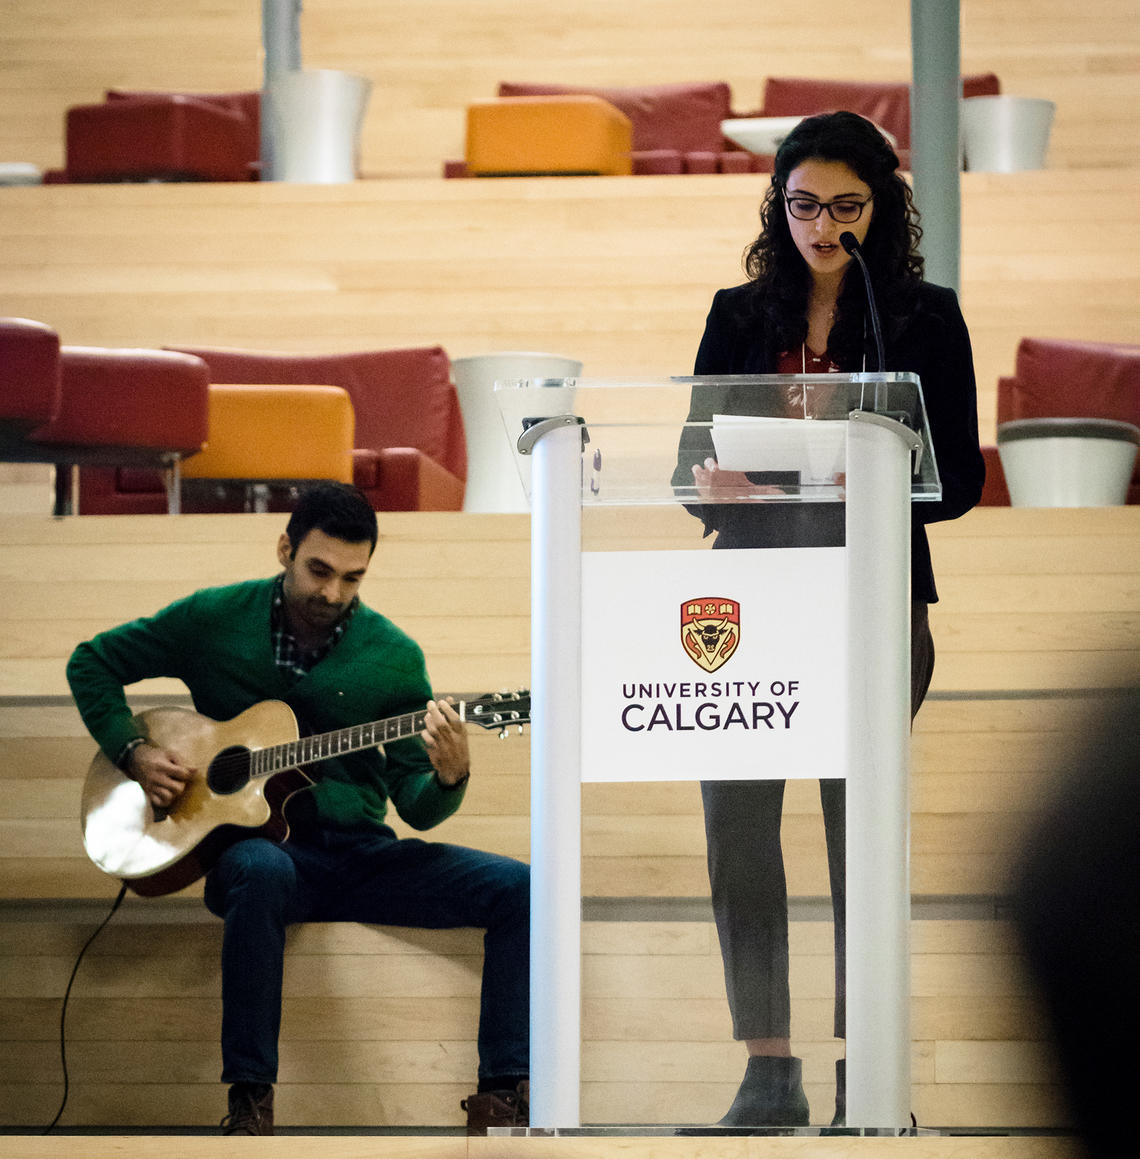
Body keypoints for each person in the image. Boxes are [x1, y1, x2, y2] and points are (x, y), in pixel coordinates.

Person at [672, 111, 985, 1128]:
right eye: (802, 204)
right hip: (753, 601)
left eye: (844, 206)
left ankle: (865, 1066)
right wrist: (721, 485)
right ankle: (770, 1068)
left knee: (861, 832)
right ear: (780, 205)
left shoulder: (923, 317)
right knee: (739, 834)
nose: (820, 224)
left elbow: (964, 479)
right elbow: (690, 467)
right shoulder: (738, 312)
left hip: (873, 598)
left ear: (878, 210)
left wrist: (868, 479)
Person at [66, 481, 530, 1136]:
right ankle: (250, 1102)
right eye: (318, 569)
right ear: (285, 547)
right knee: (262, 869)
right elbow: (94, 661)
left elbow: (415, 806)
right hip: (258, 855)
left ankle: (502, 1097)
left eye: (352, 577)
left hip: (361, 855)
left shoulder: (394, 658)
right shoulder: (213, 618)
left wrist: (450, 777)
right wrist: (133, 749)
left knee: (523, 888)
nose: (333, 593)